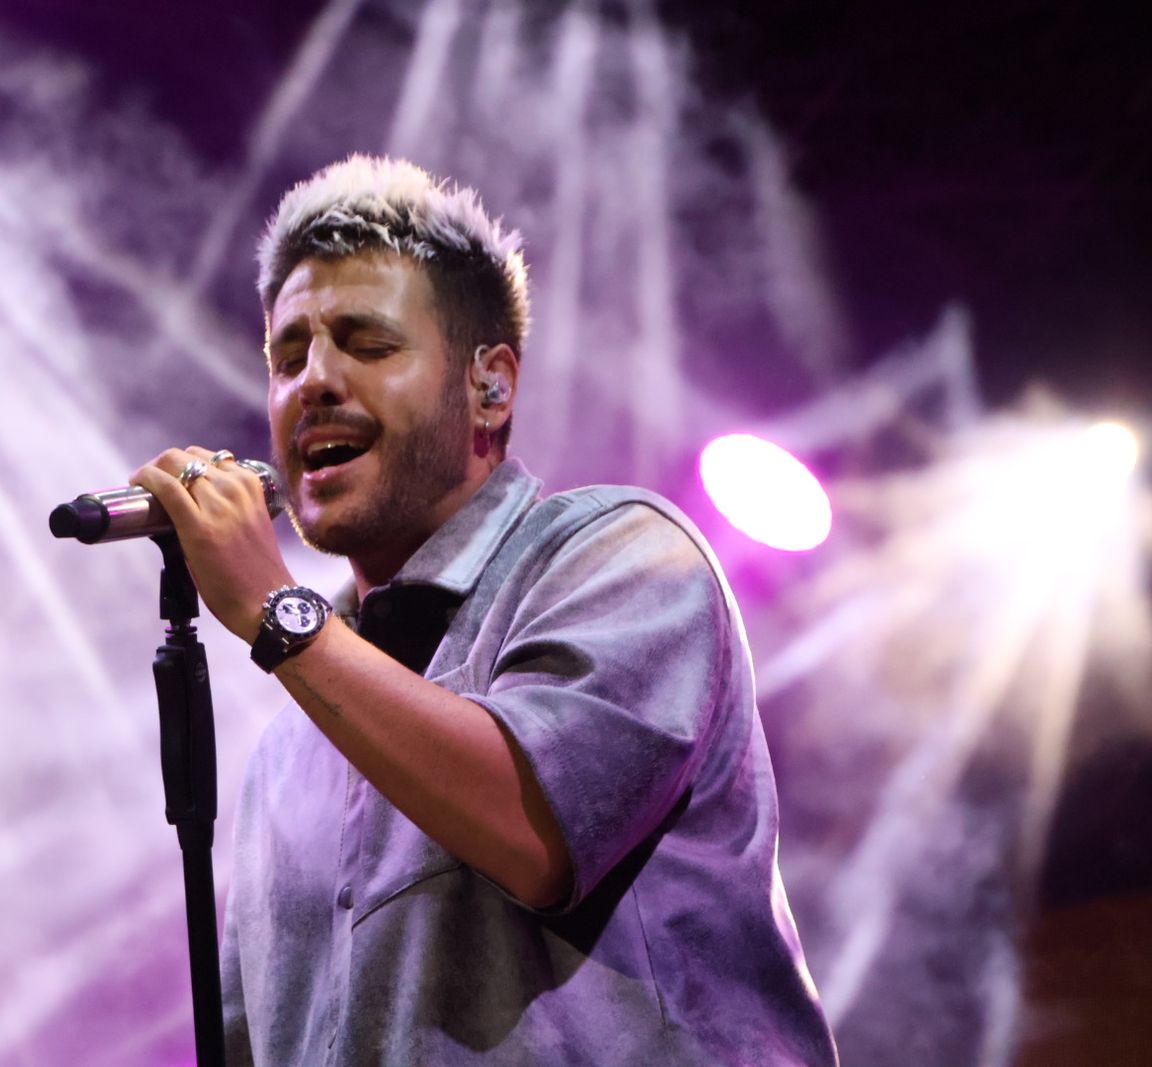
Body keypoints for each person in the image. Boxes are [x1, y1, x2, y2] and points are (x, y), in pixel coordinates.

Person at [132, 155, 837, 1066]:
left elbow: (533, 833)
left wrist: (276, 611)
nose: (313, 381)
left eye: (368, 343)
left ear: (491, 385)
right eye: (289, 353)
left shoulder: (624, 556)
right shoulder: (285, 759)